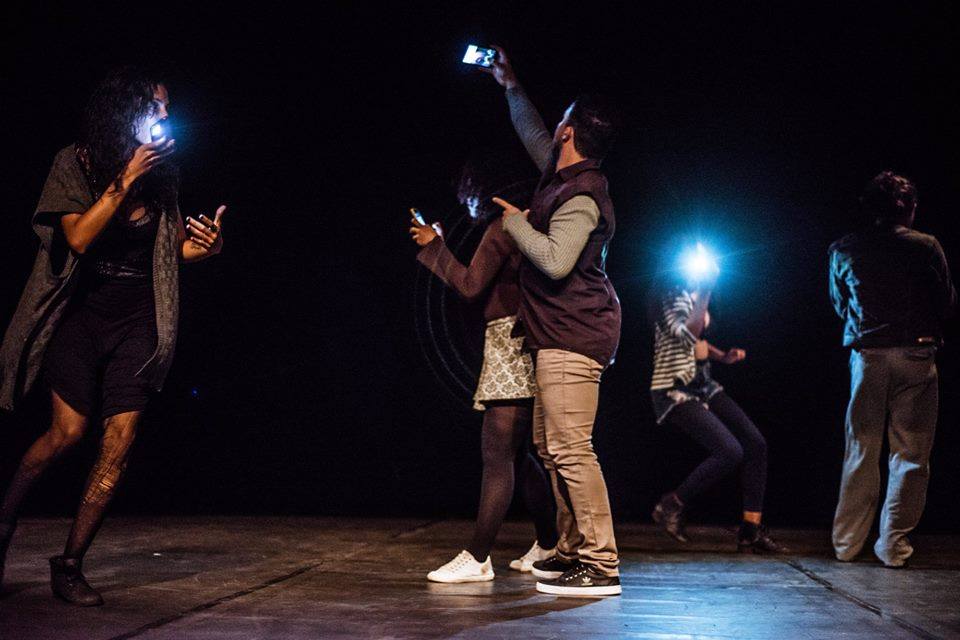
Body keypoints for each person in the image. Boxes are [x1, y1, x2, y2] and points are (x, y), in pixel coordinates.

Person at [0, 66, 227, 606]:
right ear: (126, 110)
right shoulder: (75, 161)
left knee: (119, 442)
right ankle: (3, 522)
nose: (167, 115)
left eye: (167, 106)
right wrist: (125, 178)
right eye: (157, 105)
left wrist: (207, 247)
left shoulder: (163, 174)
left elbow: (167, 252)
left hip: (140, 320)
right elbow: (78, 239)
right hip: (80, 316)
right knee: (67, 434)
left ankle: (70, 564)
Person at [485, 48, 623, 596]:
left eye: (560, 121)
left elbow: (556, 260)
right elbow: (533, 134)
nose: (553, 128)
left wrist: (517, 225)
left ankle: (601, 563)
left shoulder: (583, 194)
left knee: (570, 448)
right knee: (550, 447)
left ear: (570, 132)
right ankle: (571, 550)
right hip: (558, 334)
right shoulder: (565, 175)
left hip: (574, 335)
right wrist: (510, 85)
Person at [409, 185, 558, 583]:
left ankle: (477, 557)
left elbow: (470, 285)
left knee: (497, 454)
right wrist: (440, 247)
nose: (465, 201)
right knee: (517, 455)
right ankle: (548, 542)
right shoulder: (530, 224)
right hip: (521, 341)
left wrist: (434, 246)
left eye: (469, 190)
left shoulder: (504, 227)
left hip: (511, 344)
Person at [830, 170, 955, 568]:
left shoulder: (844, 248)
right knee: (911, 455)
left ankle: (847, 544)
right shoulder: (926, 246)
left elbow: (840, 304)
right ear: (910, 209)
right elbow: (946, 303)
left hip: (869, 355)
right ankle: (893, 546)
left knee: (861, 448)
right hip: (916, 353)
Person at [647, 259, 784, 553]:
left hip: (703, 384)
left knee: (755, 443)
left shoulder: (693, 293)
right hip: (674, 388)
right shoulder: (670, 295)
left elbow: (698, 344)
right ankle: (672, 504)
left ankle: (750, 530)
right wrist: (706, 289)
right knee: (730, 451)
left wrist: (722, 356)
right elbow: (688, 334)